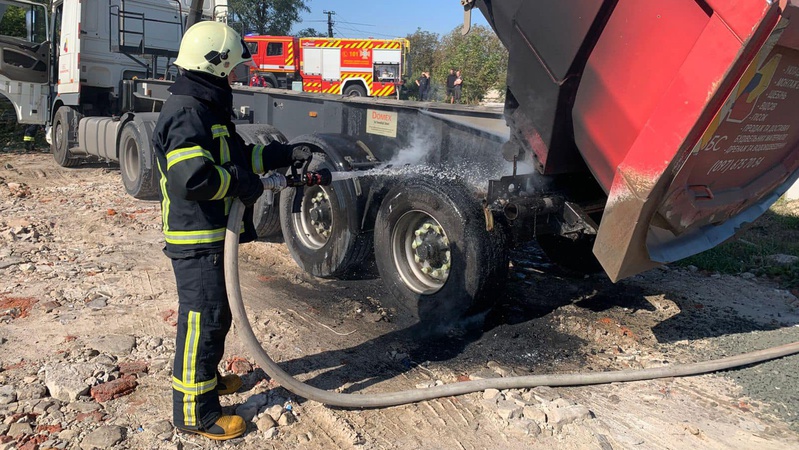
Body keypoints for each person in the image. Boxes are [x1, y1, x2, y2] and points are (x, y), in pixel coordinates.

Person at [152, 21, 311, 441]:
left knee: (215, 316)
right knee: (202, 320)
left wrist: (281, 153)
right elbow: (193, 178)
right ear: (216, 64)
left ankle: (206, 379)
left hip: (210, 235)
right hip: (196, 236)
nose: (240, 73)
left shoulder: (204, 105)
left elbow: (238, 155)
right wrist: (242, 184)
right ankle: (193, 411)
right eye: (236, 66)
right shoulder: (188, 111)